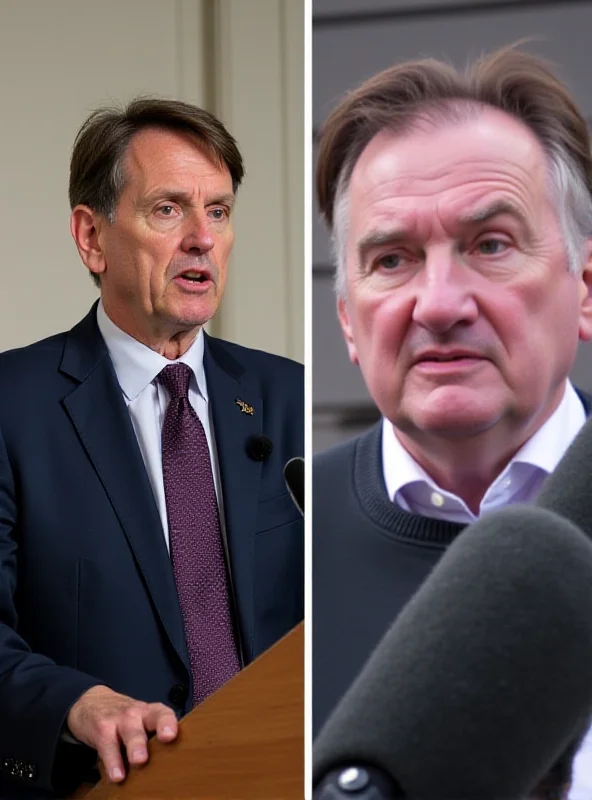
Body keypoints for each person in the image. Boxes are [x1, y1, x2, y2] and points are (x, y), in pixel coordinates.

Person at [0, 98, 303, 798]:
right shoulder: (14, 408)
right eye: (169, 209)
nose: (202, 237)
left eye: (219, 212)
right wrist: (74, 703)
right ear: (91, 236)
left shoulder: (288, 401)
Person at [313, 46, 592, 798]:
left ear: (587, 288)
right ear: (347, 321)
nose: (438, 304)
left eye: (490, 245)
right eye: (393, 259)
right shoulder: (266, 550)